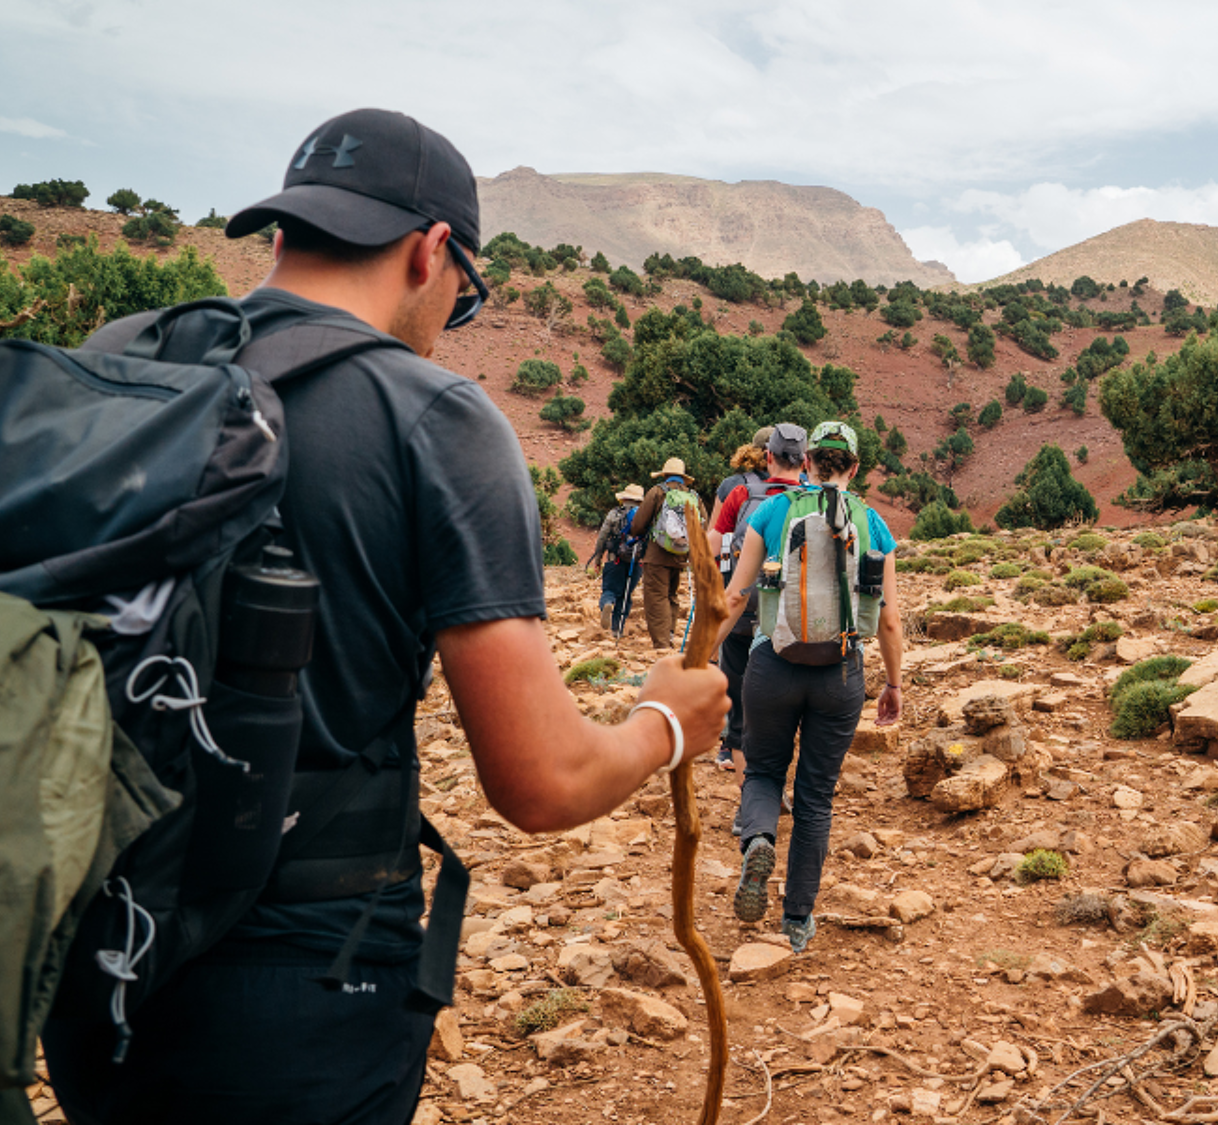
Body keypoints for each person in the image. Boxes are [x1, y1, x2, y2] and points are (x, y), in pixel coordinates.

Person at [42, 108, 728, 1125]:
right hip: (305, 981)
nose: (453, 310)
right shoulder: (436, 419)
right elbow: (539, 782)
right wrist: (663, 724)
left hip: (88, 953)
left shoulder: (121, 361)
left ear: (284, 233)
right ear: (432, 251)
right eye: (464, 292)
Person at [720, 421, 902, 954]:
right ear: (855, 467)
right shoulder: (873, 523)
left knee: (765, 769)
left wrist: (700, 658)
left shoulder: (773, 511)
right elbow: (889, 620)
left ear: (806, 463)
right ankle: (797, 920)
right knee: (816, 796)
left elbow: (735, 597)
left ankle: (757, 839)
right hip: (840, 674)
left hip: (771, 667)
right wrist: (892, 683)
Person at [707, 424, 802, 771]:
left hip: (742, 603)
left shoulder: (738, 490)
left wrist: (712, 585)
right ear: (803, 460)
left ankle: (731, 746)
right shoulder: (809, 494)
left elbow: (715, 540)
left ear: (767, 455)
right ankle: (776, 758)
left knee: (736, 677)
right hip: (790, 614)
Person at [629, 458, 707, 651]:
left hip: (657, 555)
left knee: (656, 597)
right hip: (681, 555)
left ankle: (662, 645)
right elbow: (704, 524)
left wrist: (637, 535)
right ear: (683, 478)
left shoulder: (657, 492)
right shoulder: (693, 496)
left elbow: (638, 524)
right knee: (672, 596)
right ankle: (669, 634)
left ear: (664, 475)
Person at [585, 483, 646, 634]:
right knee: (626, 595)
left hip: (615, 560)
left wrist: (598, 559)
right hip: (636, 562)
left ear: (623, 498)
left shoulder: (614, 514)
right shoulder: (646, 517)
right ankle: (617, 628)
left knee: (610, 590)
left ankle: (607, 602)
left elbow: (602, 537)